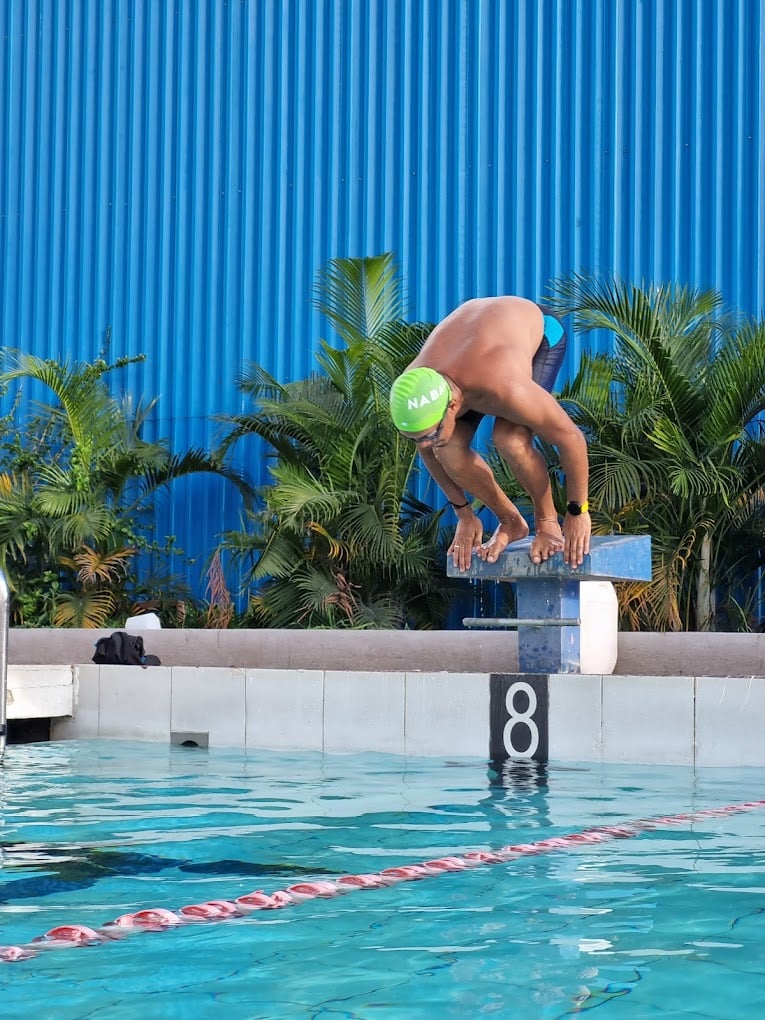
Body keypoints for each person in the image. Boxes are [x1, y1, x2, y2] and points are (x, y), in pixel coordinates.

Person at [388, 296, 591, 571]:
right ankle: (510, 521)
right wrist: (464, 514)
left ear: (452, 406)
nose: (425, 443)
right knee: (446, 449)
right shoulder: (415, 393)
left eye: (430, 433)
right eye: (416, 437)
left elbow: (571, 438)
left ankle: (547, 522)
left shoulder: (506, 387)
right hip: (470, 349)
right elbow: (428, 448)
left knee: (511, 441)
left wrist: (578, 511)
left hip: (540, 331)